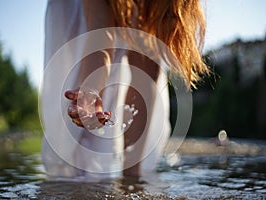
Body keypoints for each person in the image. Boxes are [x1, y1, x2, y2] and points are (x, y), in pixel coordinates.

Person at [42, 0, 209, 180]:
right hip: (83, 15)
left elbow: (146, 75)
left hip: (147, 11)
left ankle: (132, 174)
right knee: (73, 154)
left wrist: (132, 175)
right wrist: (90, 90)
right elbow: (100, 42)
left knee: (146, 62)